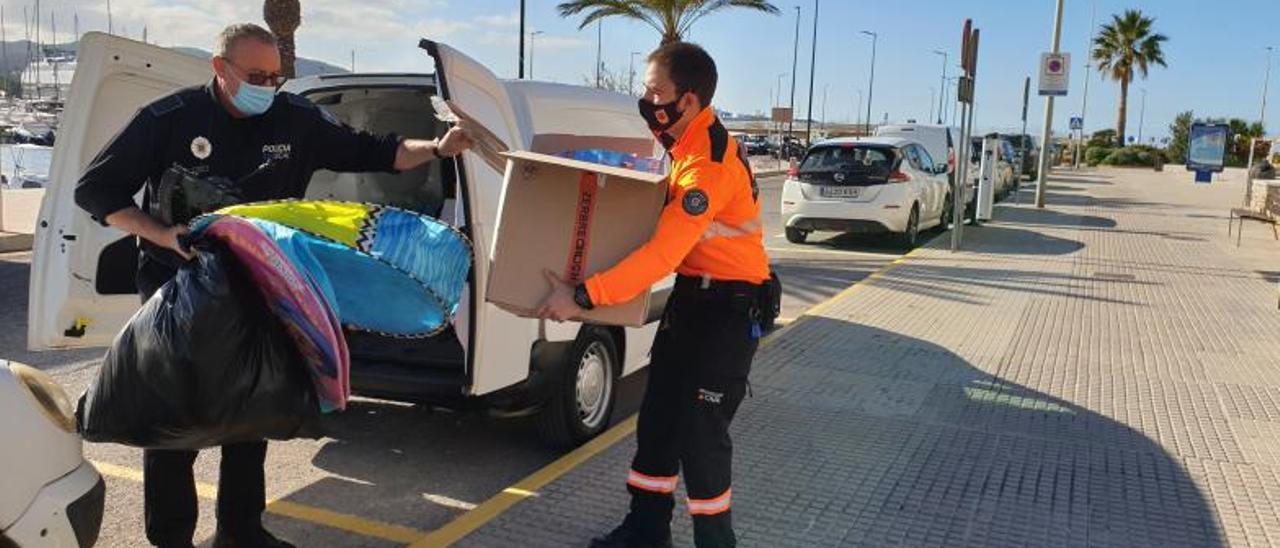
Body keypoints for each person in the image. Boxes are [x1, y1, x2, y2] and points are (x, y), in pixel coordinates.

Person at [74, 23, 472, 548]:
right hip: (178, 290)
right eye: (257, 75)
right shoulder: (168, 119)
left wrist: (440, 148)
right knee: (174, 413)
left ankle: (241, 532)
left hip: (265, 286)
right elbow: (95, 191)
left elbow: (377, 151)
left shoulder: (295, 119)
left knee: (254, 405)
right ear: (221, 69)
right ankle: (170, 538)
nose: (269, 86)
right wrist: (161, 233)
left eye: (277, 77)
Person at [538, 42, 770, 548]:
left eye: (653, 91)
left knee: (702, 438)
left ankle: (715, 542)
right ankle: (645, 531)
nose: (645, 100)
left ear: (686, 100)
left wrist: (582, 296)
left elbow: (660, 256)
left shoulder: (706, 166)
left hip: (729, 311)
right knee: (660, 420)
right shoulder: (685, 147)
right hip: (694, 301)